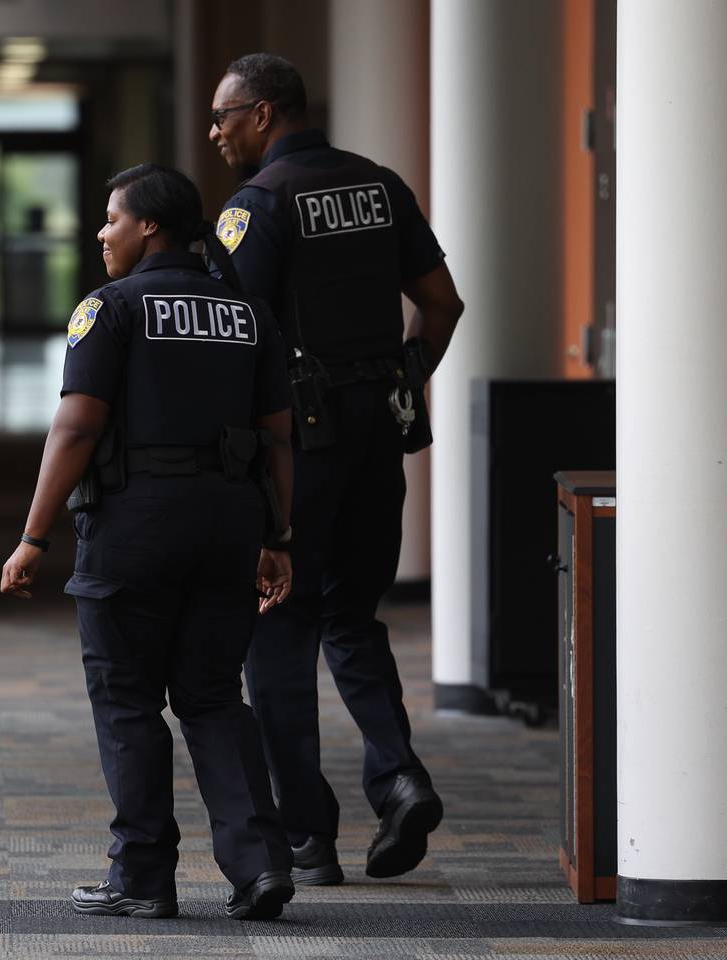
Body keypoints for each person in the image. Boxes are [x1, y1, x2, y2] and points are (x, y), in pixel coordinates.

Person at [0, 162, 299, 921]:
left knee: (128, 700)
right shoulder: (249, 314)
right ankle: (260, 866)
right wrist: (278, 536)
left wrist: (34, 534)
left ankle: (141, 876)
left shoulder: (110, 308)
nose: (102, 232)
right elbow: (278, 441)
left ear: (150, 226)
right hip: (229, 522)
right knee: (210, 698)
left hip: (136, 525)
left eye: (112, 219)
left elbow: (76, 425)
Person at [206, 53, 466, 884]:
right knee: (353, 618)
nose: (216, 132)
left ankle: (307, 835)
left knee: (277, 630)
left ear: (267, 113)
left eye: (226, 116)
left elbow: (235, 340)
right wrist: (401, 373)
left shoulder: (259, 205)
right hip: (377, 440)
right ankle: (398, 779)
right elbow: (443, 302)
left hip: (297, 452)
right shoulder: (381, 185)